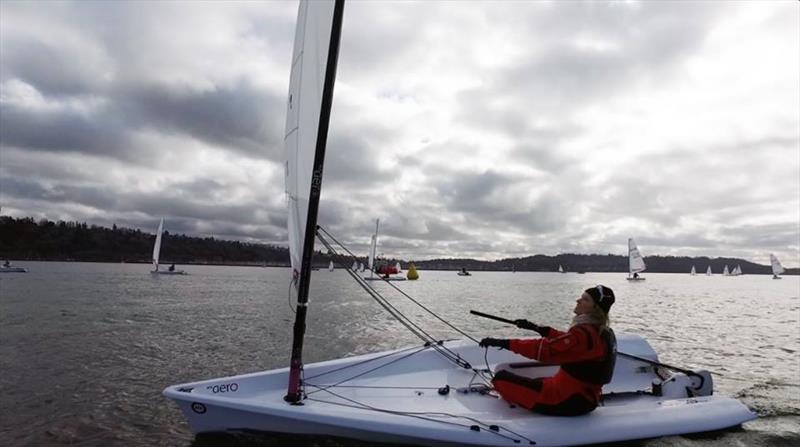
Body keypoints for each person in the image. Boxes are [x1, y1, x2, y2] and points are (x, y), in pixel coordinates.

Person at [479, 285, 617, 416]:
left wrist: (503, 343)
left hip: (566, 400)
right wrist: (536, 328)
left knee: (500, 378)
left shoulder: (583, 334)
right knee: (537, 380)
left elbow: (544, 350)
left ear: (595, 308)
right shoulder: (601, 332)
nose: (578, 300)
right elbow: (566, 340)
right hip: (585, 397)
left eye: (585, 299)